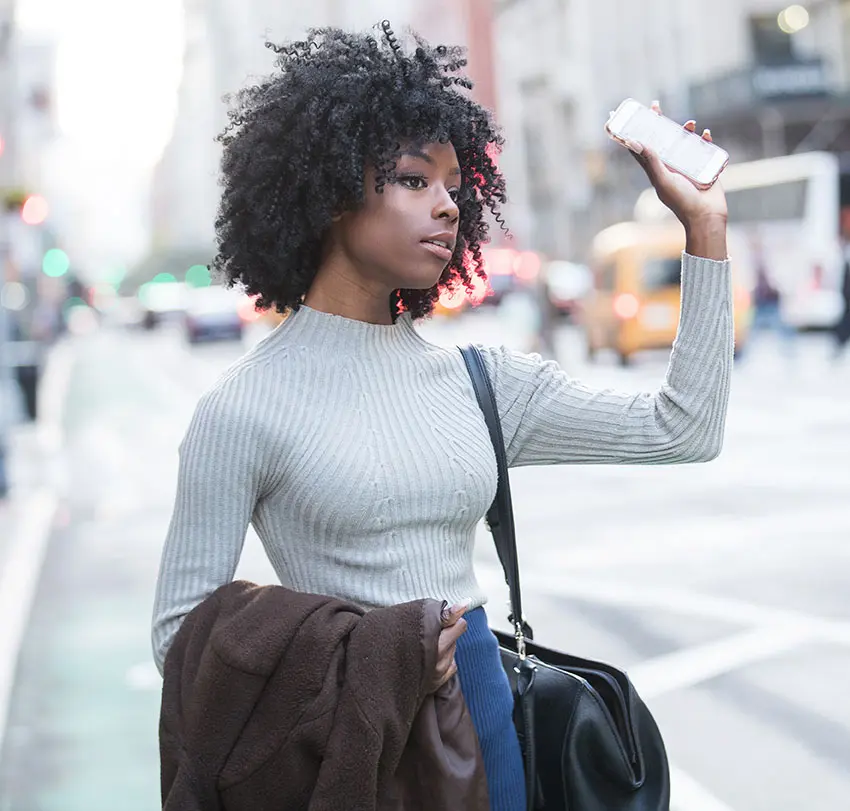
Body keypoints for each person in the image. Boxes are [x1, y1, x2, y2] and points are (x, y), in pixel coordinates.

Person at [152, 21, 732, 810]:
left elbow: (684, 428)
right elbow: (180, 636)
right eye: (415, 179)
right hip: (343, 753)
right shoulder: (241, 410)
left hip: (483, 710)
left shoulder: (480, 380)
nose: (449, 206)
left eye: (455, 184)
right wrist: (370, 655)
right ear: (328, 190)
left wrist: (704, 230)